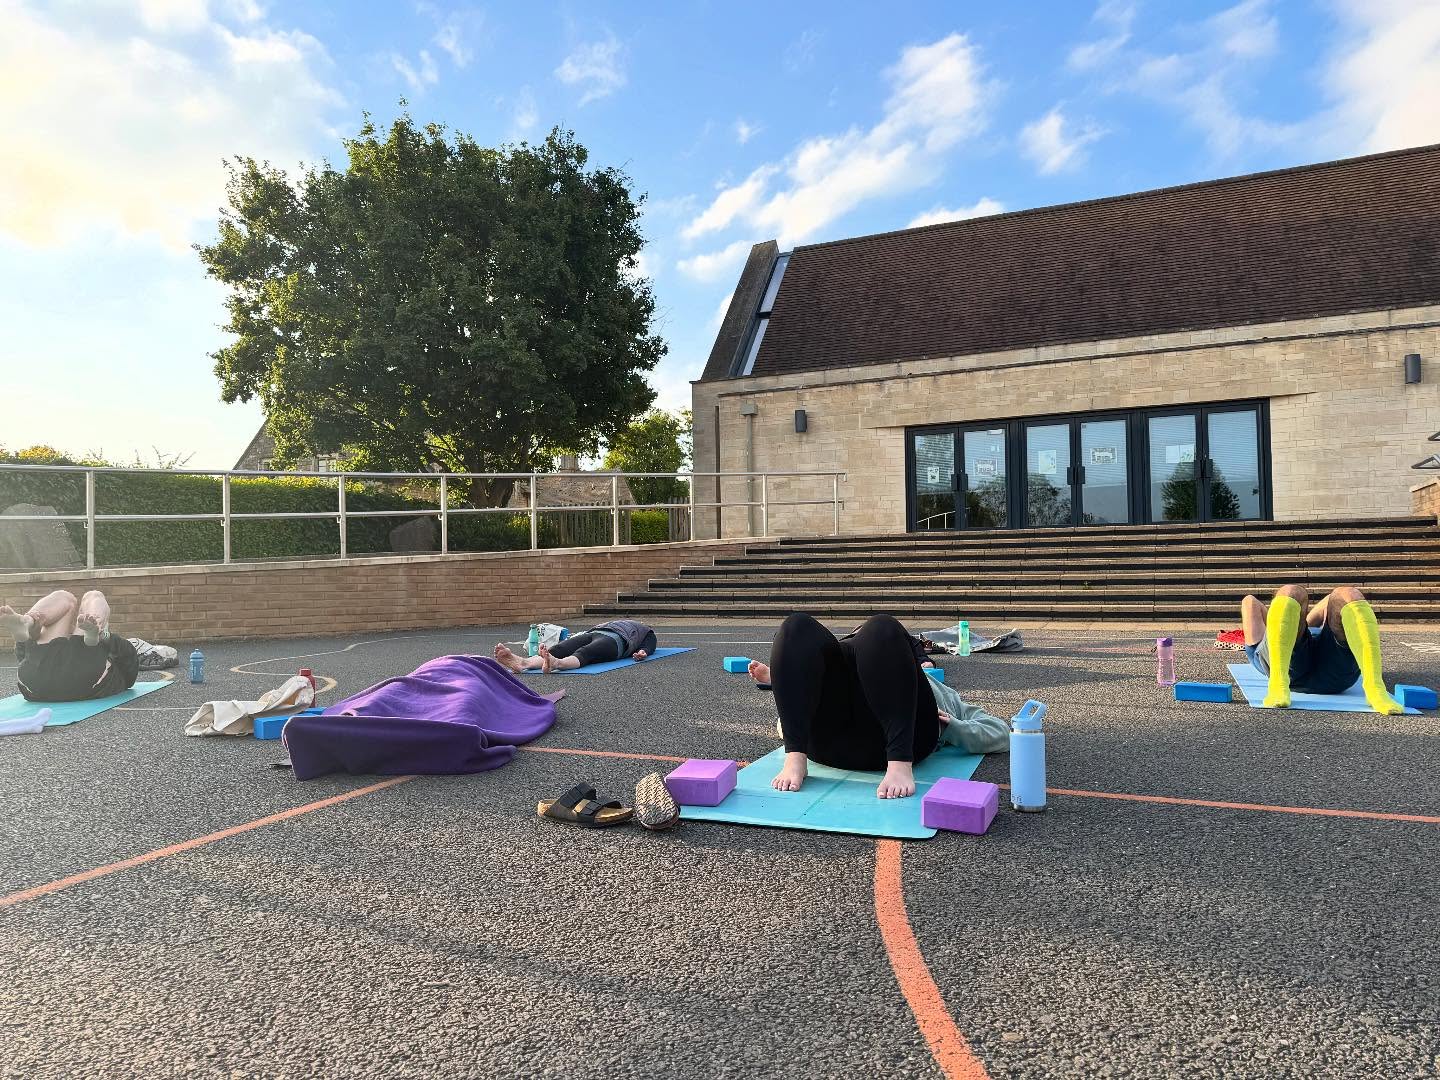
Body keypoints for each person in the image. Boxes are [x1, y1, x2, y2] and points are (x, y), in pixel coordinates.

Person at [746, 613, 1008, 800]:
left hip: (898, 744)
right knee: (796, 625)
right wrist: (794, 719)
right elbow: (785, 723)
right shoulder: (835, 664)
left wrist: (952, 727)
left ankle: (899, 765)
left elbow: (1000, 732)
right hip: (828, 743)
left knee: (882, 626)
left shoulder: (928, 684)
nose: (862, 639)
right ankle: (795, 757)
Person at [1241, 584, 1401, 714]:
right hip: (1332, 679)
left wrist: (1296, 620)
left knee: (1340, 594)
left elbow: (1250, 602)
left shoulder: (1259, 647)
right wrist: (1305, 620)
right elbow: (1328, 600)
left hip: (1300, 670)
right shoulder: (1258, 649)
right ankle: (1375, 688)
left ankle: (1374, 686)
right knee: (1341, 593)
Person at [1, 590, 141, 703]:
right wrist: (106, 636)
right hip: (88, 677)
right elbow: (130, 661)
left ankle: (28, 621)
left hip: (35, 683)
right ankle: (96, 626)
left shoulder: (56, 639)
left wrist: (30, 639)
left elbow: (25, 657)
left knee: (65, 597)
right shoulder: (106, 656)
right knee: (93, 596)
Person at [493, 618, 658, 674]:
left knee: (586, 652)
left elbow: (650, 643)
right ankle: (523, 663)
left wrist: (643, 652)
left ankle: (557, 664)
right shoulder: (616, 622)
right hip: (593, 632)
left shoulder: (646, 630)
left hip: (617, 641)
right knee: (559, 648)